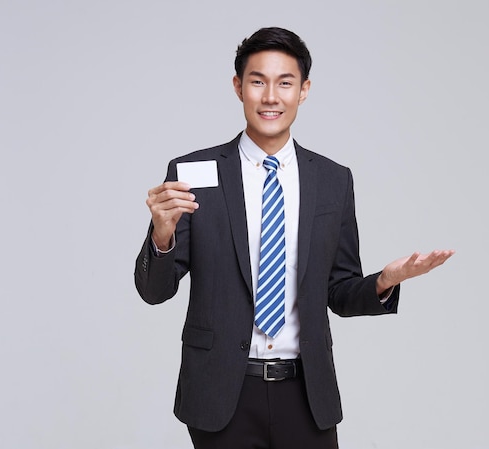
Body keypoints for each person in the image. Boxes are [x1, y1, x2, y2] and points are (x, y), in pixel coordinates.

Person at [134, 26, 454, 449]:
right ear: (238, 87)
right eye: (257, 81)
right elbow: (154, 292)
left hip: (306, 392)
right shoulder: (193, 173)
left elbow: (338, 293)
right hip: (221, 392)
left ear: (303, 90)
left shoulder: (332, 180)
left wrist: (383, 281)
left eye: (285, 83)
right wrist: (161, 235)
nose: (271, 97)